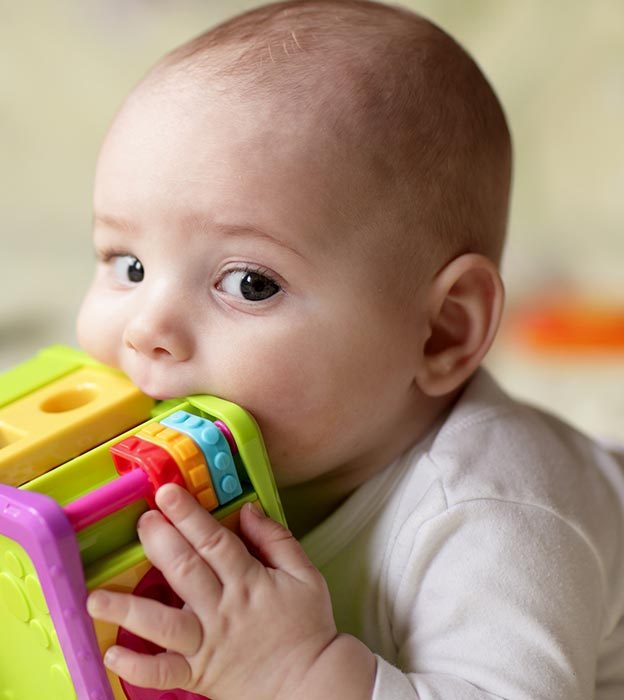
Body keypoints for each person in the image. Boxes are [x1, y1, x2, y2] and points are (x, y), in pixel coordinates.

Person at [75, 1, 624, 697]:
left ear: (444, 330)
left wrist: (294, 673)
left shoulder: (496, 519)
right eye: (128, 265)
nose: (146, 327)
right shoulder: (250, 460)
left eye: (249, 282)